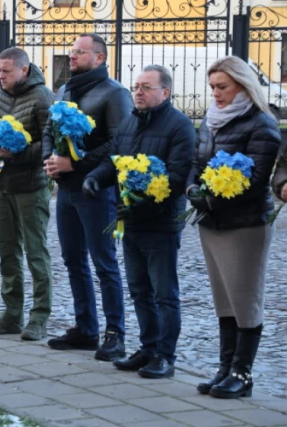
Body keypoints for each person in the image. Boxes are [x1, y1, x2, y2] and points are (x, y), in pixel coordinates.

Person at [83, 65, 195, 378]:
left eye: (146, 87)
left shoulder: (180, 126)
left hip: (160, 223)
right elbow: (113, 161)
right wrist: (95, 178)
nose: (139, 92)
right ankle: (147, 347)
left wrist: (143, 206)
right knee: (139, 291)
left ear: (165, 92)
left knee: (163, 294)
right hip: (129, 220)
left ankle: (165, 355)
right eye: (137, 86)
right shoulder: (131, 121)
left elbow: (176, 176)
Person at [187, 56, 280, 398]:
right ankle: (225, 367)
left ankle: (242, 374)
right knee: (223, 300)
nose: (216, 94)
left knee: (244, 299)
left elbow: (256, 179)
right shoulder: (210, 120)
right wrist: (193, 190)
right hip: (211, 222)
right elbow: (196, 163)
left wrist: (212, 199)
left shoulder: (261, 124)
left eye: (222, 87)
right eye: (212, 87)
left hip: (245, 225)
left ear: (243, 85)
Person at [43, 33, 132, 360]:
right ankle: (86, 328)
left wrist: (77, 161)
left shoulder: (115, 93)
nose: (72, 56)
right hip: (66, 190)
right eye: (71, 52)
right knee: (72, 260)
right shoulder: (65, 89)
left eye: (79, 52)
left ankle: (115, 333)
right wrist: (50, 159)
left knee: (104, 262)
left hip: (97, 190)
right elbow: (48, 130)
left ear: (99, 57)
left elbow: (119, 144)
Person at [0, 47, 54, 341]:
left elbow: (50, 141)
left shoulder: (42, 97)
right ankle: (12, 314)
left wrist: (18, 152)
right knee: (6, 251)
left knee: (36, 253)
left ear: (24, 70)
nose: (1, 76)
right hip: (2, 186)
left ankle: (39, 317)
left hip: (30, 186)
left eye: (6, 71)